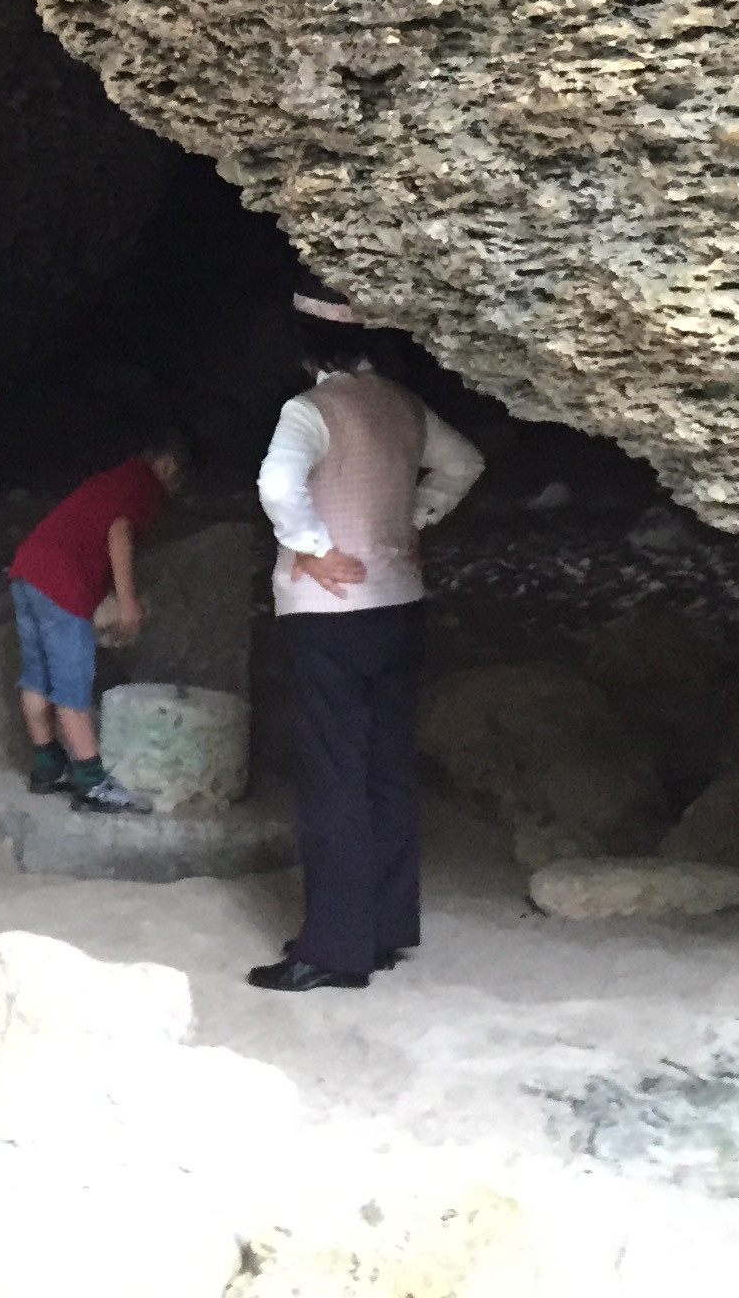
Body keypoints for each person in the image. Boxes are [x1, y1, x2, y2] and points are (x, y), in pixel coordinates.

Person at [244, 288, 483, 993]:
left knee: (333, 778)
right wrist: (417, 515)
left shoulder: (309, 411)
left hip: (330, 613)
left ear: (304, 346)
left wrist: (311, 546)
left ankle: (335, 950)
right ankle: (382, 930)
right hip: (399, 604)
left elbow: (276, 483)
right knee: (386, 768)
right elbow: (464, 463)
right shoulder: (402, 405)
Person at [6, 422, 187, 814]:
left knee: (37, 677)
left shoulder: (113, 478)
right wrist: (127, 601)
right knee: (72, 687)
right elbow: (119, 532)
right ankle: (91, 781)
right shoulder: (142, 485)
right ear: (168, 465)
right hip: (61, 585)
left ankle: (46, 766)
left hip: (27, 572)